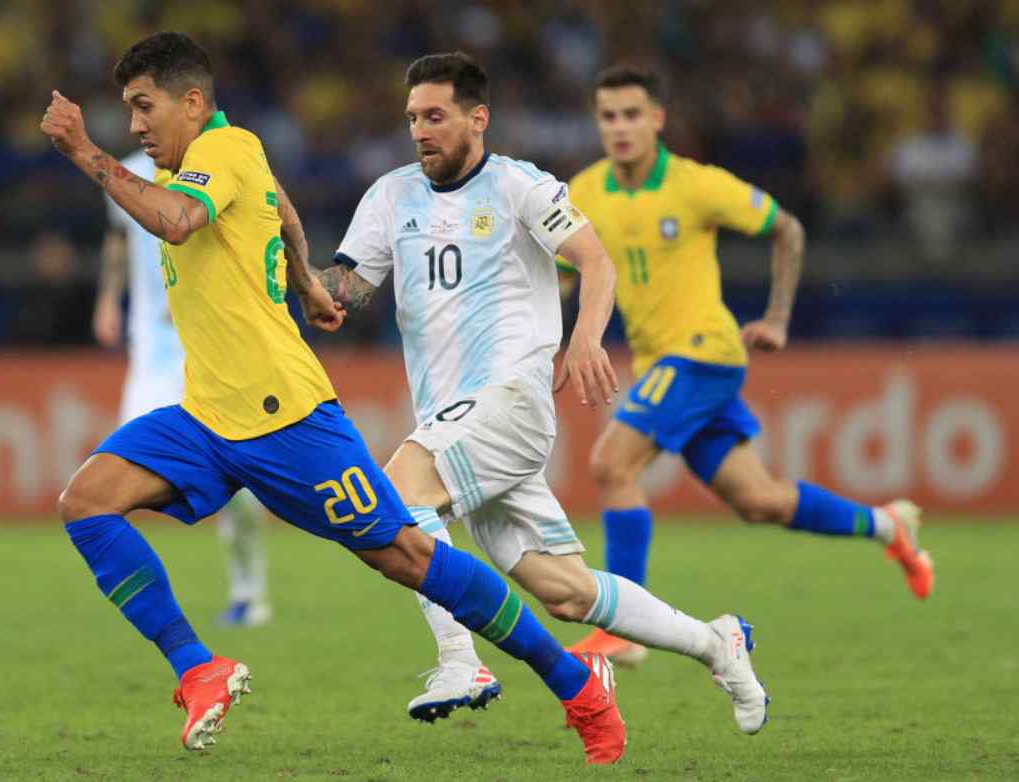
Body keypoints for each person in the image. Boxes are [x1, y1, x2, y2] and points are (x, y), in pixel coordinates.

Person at [42, 31, 637, 765]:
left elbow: (175, 220)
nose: (133, 126)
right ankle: (200, 668)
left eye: (143, 107)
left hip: (285, 419)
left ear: (191, 103)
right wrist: (304, 278)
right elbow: (283, 209)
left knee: (410, 556)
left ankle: (577, 684)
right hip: (206, 414)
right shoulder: (236, 150)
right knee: (87, 501)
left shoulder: (220, 155)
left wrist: (82, 152)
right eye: (126, 111)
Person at [315, 52, 767, 745]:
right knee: (567, 591)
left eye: (435, 116)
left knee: (398, 491)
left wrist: (586, 336)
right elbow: (344, 288)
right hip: (451, 420)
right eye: (412, 118)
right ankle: (718, 643)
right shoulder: (390, 197)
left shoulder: (520, 186)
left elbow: (596, 259)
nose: (420, 131)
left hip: (512, 400)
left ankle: (459, 661)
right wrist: (289, 267)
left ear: (477, 118)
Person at [564, 66, 934, 665]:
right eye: (608, 116)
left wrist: (779, 317)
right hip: (664, 363)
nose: (620, 127)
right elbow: (561, 274)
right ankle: (890, 526)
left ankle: (624, 629)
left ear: (658, 118)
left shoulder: (696, 184)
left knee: (611, 464)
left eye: (633, 114)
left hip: (705, 352)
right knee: (759, 500)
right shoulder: (583, 192)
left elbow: (787, 229)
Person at [94, 148, 271, 627]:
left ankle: (248, 590)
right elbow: (118, 241)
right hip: (152, 352)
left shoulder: (215, 166)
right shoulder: (125, 170)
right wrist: (109, 300)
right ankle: (149, 609)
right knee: (112, 480)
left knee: (240, 488)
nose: (141, 121)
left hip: (213, 350)